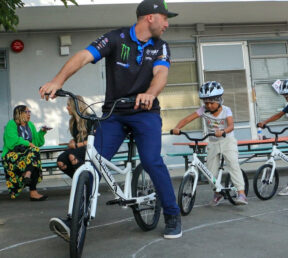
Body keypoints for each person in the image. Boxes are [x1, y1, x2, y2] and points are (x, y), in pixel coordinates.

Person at [39, 0, 182, 240]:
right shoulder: (116, 38)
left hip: (145, 112)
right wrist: (58, 81)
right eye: (165, 18)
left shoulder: (160, 47)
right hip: (114, 113)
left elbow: (161, 74)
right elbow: (84, 56)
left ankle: (172, 214)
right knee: (92, 162)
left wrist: (150, 93)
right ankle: (74, 219)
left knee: (151, 160)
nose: (167, 24)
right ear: (150, 17)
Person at [172, 81, 248, 206]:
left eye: (212, 103)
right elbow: (187, 119)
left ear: (219, 101)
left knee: (233, 164)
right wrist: (177, 127)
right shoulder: (203, 110)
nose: (209, 105)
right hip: (212, 142)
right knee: (210, 171)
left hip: (227, 141)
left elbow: (231, 125)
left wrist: (223, 131)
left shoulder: (226, 110)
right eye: (206, 103)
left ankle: (241, 193)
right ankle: (217, 193)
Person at [2, 105, 50, 201]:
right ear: (20, 114)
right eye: (27, 112)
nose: (29, 114)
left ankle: (29, 180)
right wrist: (28, 143)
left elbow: (37, 143)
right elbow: (12, 141)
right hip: (12, 156)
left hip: (28, 156)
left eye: (29, 112)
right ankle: (31, 186)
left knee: (34, 157)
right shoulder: (11, 124)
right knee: (34, 159)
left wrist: (42, 132)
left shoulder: (30, 125)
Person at [57, 96, 92, 178]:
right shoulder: (73, 121)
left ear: (75, 106)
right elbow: (77, 138)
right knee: (61, 161)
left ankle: (85, 181)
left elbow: (96, 139)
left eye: (69, 105)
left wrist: (76, 145)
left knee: (72, 156)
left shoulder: (90, 118)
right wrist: (73, 140)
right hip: (79, 148)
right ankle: (79, 181)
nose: (67, 107)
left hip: (90, 148)